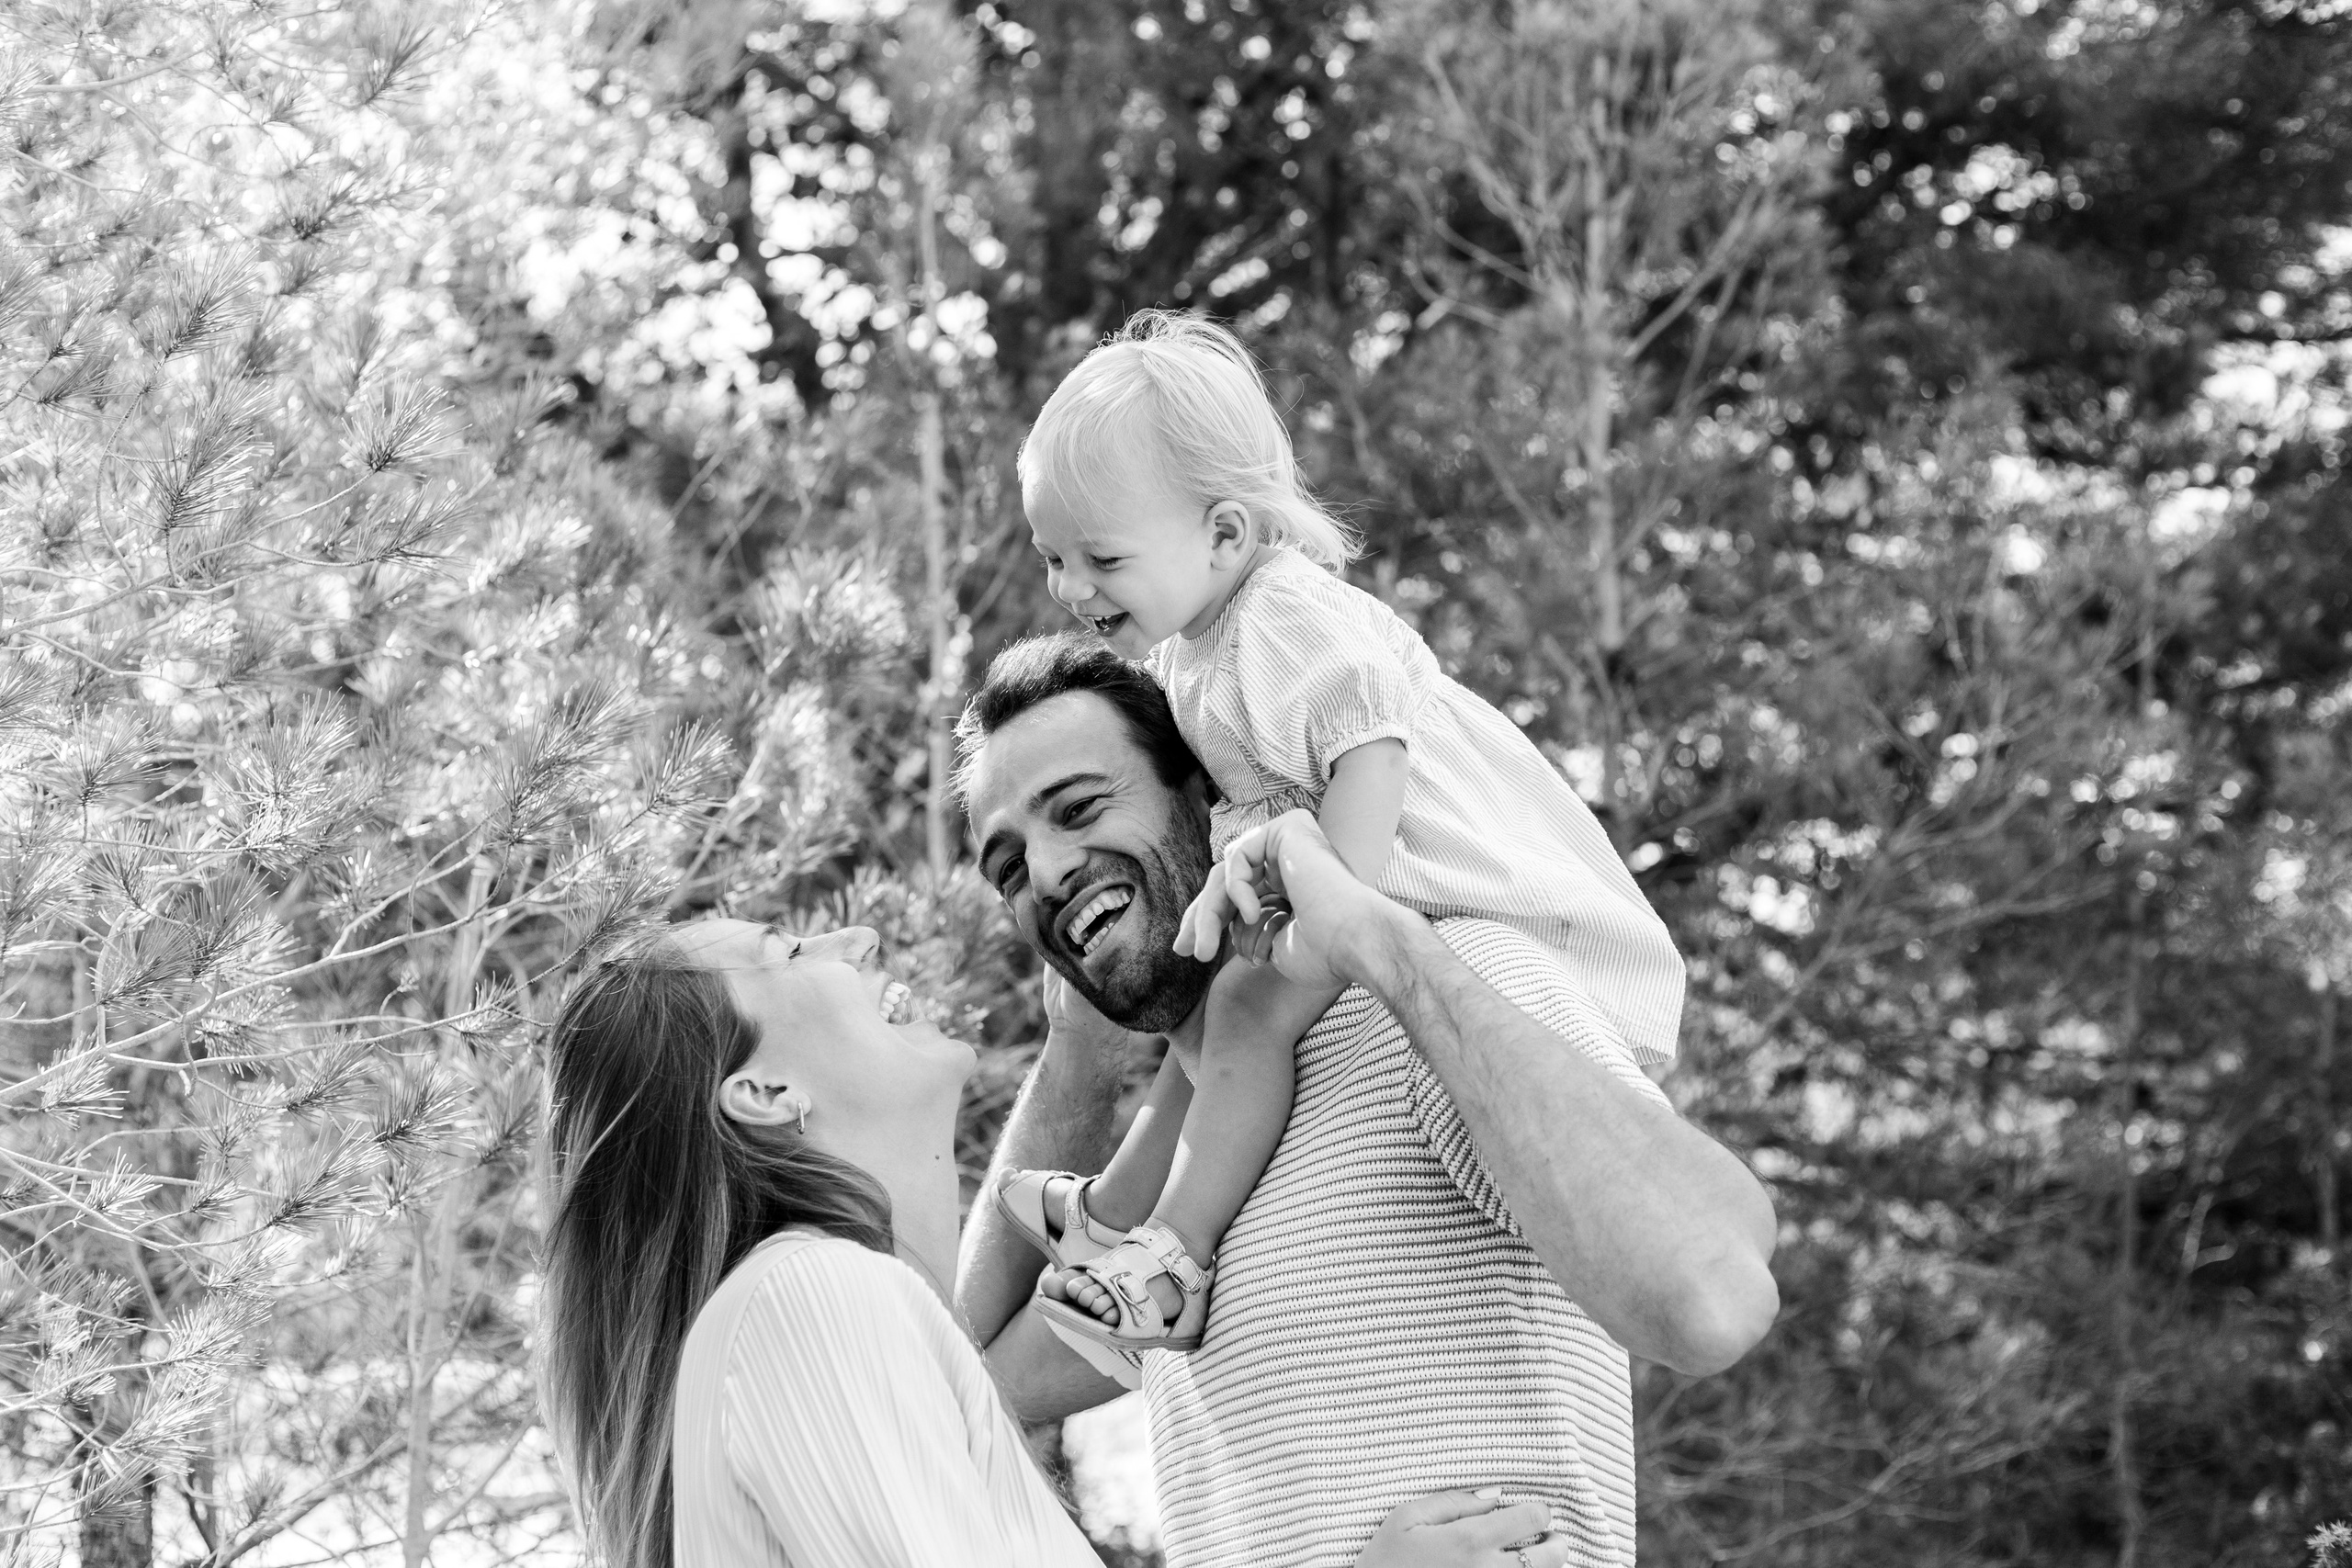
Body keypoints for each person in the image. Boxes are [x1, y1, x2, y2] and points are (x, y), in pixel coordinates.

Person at [955, 637, 1778, 1568]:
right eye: (1011, 869)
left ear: (1207, 798)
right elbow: (955, 1388)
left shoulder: (1438, 999)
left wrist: (1378, 942)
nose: (1051, 869)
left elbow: (1713, 1292)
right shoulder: (1174, 1205)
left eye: (1079, 809)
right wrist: (1077, 1052)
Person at [1001, 310, 1689, 1365]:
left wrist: (1340, 904)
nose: (1069, 588)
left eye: (1100, 556)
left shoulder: (1281, 614)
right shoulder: (1188, 647)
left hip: (1443, 887)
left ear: (1225, 534)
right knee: (1208, 1005)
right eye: (1052, 556)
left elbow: (1371, 744)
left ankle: (1174, 1257)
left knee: (1239, 1015)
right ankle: (1116, 1208)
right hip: (1340, 882)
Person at [535, 917, 1584, 1568]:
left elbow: (1025, 1337)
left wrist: (1185, 1044)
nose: (850, 942)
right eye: (789, 953)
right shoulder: (811, 1298)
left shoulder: (804, 1314)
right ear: (763, 1093)